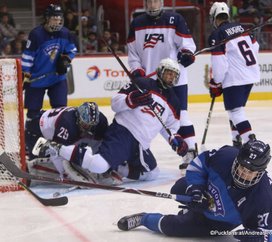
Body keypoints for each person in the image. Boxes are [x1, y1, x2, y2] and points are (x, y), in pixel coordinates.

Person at [33, 58, 188, 183]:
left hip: (141, 143)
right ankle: (56, 148)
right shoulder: (142, 83)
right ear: (160, 72)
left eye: (174, 75)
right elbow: (115, 103)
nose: (171, 78)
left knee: (151, 173)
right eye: (168, 74)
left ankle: (116, 167)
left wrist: (176, 140)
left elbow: (170, 128)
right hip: (123, 132)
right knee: (99, 165)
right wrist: (131, 99)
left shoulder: (174, 101)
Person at [117, 139, 272, 241]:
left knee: (175, 228)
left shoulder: (262, 197)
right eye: (242, 167)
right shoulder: (225, 156)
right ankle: (191, 207)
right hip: (203, 191)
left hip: (218, 222)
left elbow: (268, 233)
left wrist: (253, 236)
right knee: (179, 188)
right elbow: (197, 166)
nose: (243, 173)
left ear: (260, 172)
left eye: (250, 172)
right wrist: (196, 190)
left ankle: (143, 218)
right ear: (237, 159)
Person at [127, 0, 197, 173]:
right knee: (154, 119)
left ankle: (191, 154)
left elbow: (187, 44)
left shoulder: (175, 19)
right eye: (149, 2)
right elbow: (133, 53)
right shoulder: (137, 23)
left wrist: (187, 54)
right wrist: (137, 70)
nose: (152, 5)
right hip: (151, 82)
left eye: (155, 1)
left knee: (181, 117)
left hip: (175, 79)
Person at [21, 4, 77, 160]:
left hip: (56, 79)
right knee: (32, 114)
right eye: (54, 18)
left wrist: (65, 60)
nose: (57, 22)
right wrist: (25, 75)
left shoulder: (65, 33)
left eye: (59, 18)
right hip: (37, 80)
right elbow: (27, 56)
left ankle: (60, 143)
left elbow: (72, 49)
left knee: (61, 112)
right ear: (46, 18)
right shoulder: (36, 35)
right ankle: (30, 144)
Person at [207, 2, 259, 148]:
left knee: (235, 111)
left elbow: (219, 63)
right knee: (237, 110)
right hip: (250, 75)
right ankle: (236, 140)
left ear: (213, 17)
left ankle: (251, 143)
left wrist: (216, 82)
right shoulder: (244, 28)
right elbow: (255, 47)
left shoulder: (217, 34)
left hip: (234, 78)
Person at [27, 102, 109, 180]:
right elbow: (56, 150)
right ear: (78, 117)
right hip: (36, 131)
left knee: (94, 140)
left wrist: (103, 161)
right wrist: (65, 174)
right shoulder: (67, 124)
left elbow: (102, 142)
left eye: (91, 125)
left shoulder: (100, 121)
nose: (88, 128)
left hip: (57, 129)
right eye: (85, 124)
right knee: (55, 154)